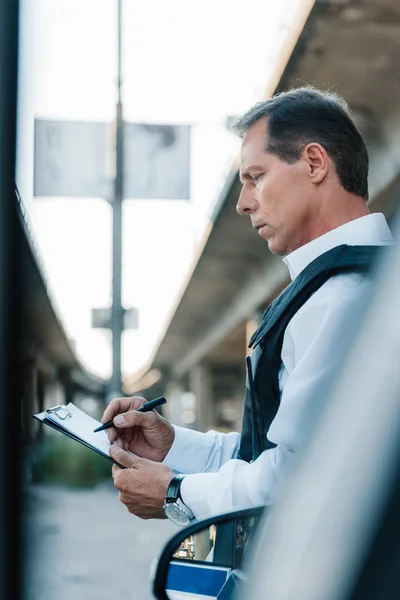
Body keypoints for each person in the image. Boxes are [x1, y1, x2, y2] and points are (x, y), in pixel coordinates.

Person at [103, 86, 394, 525]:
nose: (243, 203)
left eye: (256, 176)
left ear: (315, 163)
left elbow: (299, 481)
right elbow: (270, 455)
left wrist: (174, 494)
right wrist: (172, 446)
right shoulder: (343, 285)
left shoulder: (341, 297)